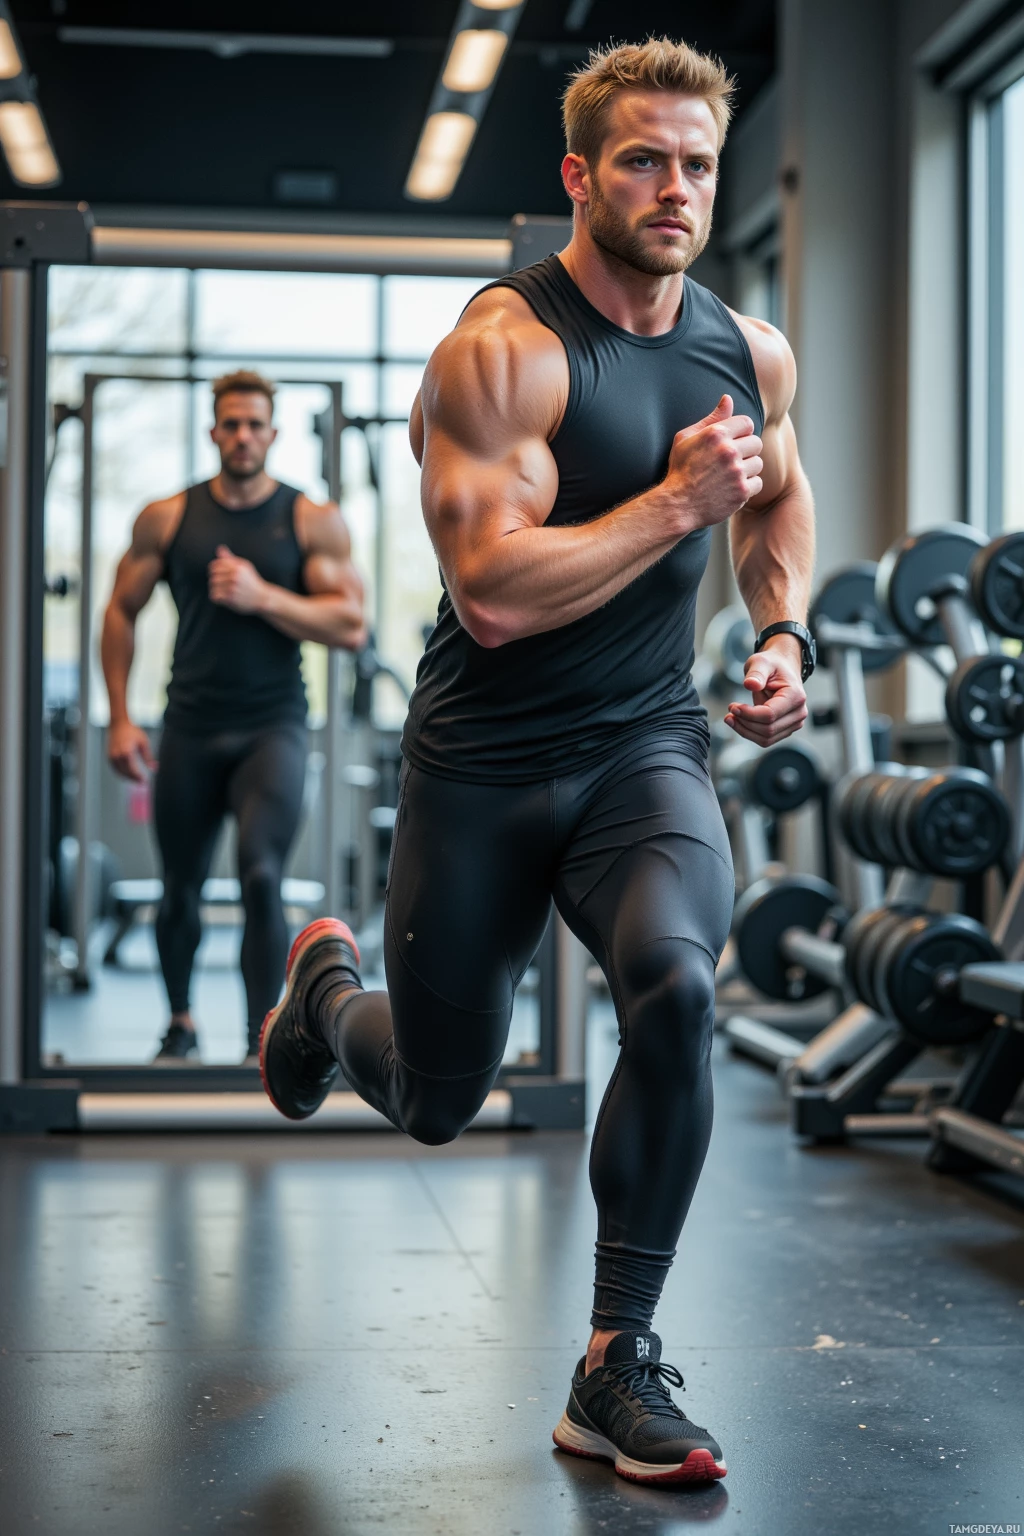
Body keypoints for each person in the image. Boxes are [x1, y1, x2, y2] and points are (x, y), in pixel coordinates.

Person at [260, 37, 816, 1485]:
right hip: (484, 767)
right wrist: (675, 504)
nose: (676, 187)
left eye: (697, 162)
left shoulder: (747, 351)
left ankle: (612, 1363)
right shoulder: (502, 350)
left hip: (644, 747)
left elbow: (776, 506)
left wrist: (784, 638)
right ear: (580, 175)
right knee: (444, 1099)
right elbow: (495, 595)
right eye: (644, 159)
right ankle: (327, 996)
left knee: (682, 987)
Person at [102, 370, 366, 1064]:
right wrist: (123, 718)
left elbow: (351, 623)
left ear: (273, 434)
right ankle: (181, 1023)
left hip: (271, 727)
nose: (243, 435)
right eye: (231, 424)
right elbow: (119, 611)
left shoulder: (311, 518)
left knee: (260, 875)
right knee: (179, 887)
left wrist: (264, 597)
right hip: (188, 725)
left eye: (255, 424)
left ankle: (263, 1038)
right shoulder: (167, 516)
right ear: (213, 431)